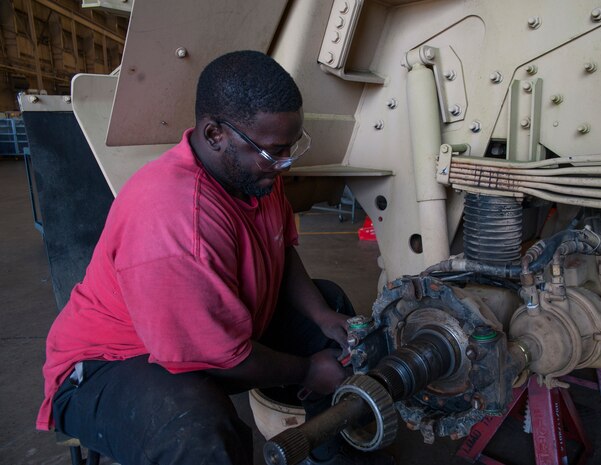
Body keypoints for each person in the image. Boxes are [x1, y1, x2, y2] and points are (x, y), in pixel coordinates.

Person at [37, 51, 392, 465]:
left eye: (290, 148)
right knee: (199, 433)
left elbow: (282, 248)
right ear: (213, 134)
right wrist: (307, 371)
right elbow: (218, 354)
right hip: (112, 363)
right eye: (274, 152)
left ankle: (333, 451)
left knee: (332, 311)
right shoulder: (172, 218)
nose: (283, 164)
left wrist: (319, 315)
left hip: (205, 334)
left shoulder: (254, 173)